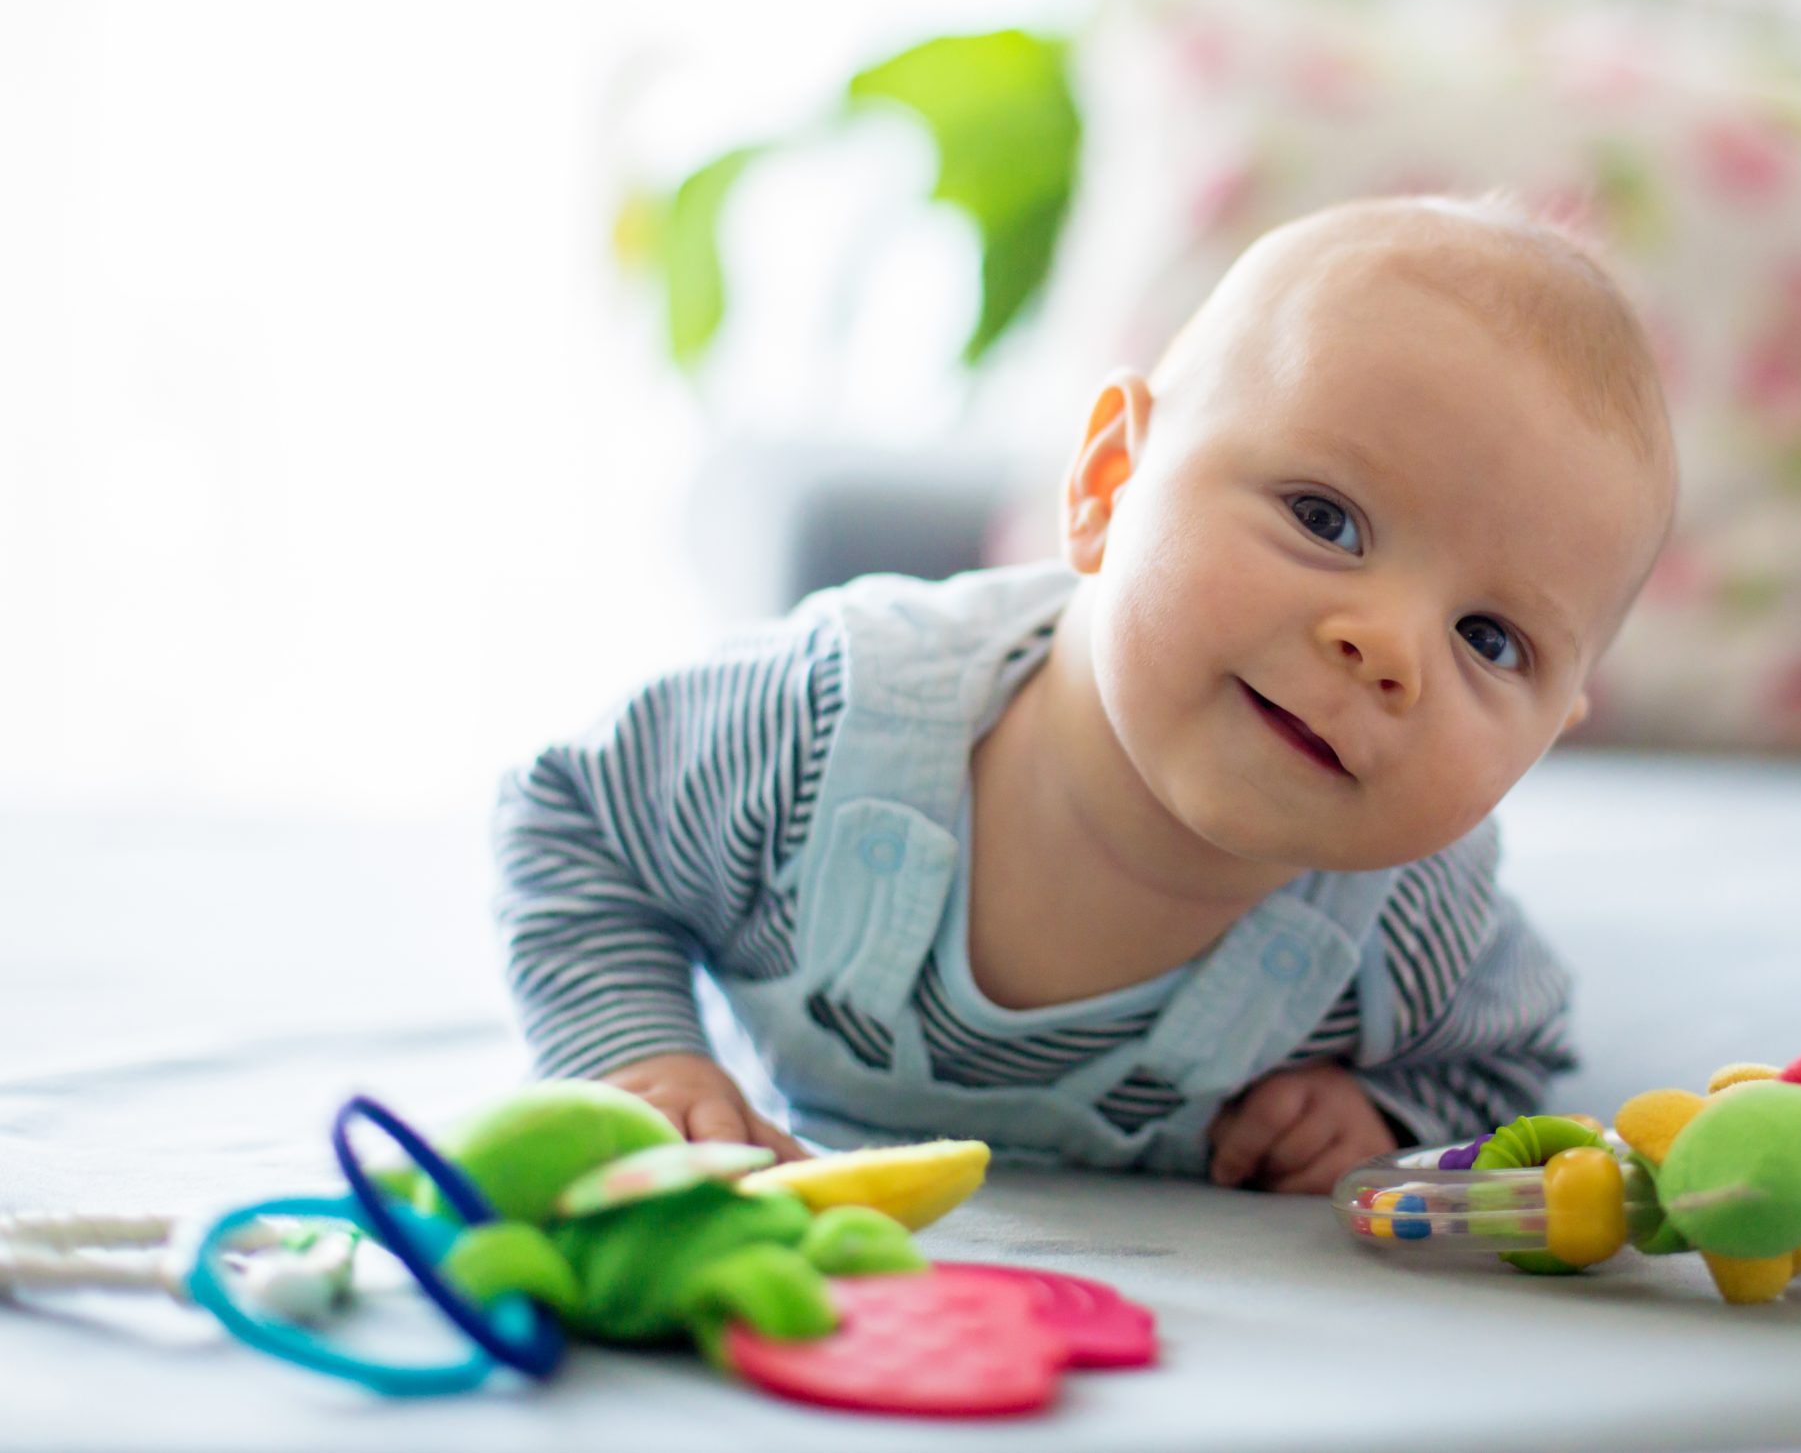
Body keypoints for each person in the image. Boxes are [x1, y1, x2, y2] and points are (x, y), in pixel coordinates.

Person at [492, 194, 1678, 1195]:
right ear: (1111, 478)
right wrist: (638, 1056)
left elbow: (1513, 1056)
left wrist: (1378, 1113)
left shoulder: (1410, 928)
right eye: (1325, 519)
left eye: (1490, 638)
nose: (1389, 648)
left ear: (1550, 734)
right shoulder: (825, 722)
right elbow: (576, 822)